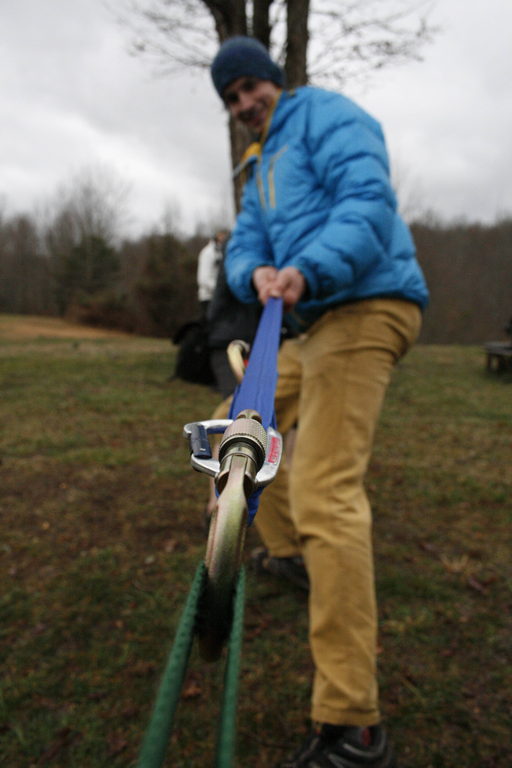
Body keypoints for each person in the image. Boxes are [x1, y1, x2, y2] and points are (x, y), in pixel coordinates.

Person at [209, 36, 429, 768]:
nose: (245, 105)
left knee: (324, 486)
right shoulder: (258, 165)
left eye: (250, 88)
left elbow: (368, 201)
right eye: (232, 98)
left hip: (365, 303)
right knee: (231, 429)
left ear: (274, 81)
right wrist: (259, 271)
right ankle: (292, 555)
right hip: (301, 322)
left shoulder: (326, 116)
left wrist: (308, 268)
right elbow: (244, 243)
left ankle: (354, 724)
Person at [196, 229, 229, 319]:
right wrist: (220, 290)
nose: (224, 237)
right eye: (221, 235)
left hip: (221, 298)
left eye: (225, 235)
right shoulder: (208, 253)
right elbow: (203, 279)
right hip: (209, 298)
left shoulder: (224, 252)